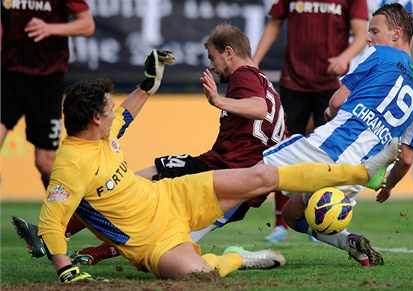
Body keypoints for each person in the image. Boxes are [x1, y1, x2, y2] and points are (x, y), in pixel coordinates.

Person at [11, 48, 398, 283]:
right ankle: (239, 258)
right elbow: (51, 219)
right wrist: (65, 269)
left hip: (173, 197)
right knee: (199, 275)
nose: (116, 112)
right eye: (108, 109)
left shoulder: (100, 134)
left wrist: (148, 84)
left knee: (263, 176)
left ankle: (366, 173)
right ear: (96, 119)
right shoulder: (71, 163)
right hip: (152, 243)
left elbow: (127, 114)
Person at [37, 23, 287, 265]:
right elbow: (275, 126)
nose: (211, 66)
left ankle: (236, 258)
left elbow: (259, 109)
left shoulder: (244, 75)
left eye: (213, 58)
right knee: (165, 229)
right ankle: (84, 247)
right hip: (237, 179)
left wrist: (218, 101)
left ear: (229, 52)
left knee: (147, 204)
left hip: (224, 172)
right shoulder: (264, 82)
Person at [262, 3, 413, 266]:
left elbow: (337, 102)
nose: (368, 38)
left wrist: (329, 112)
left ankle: (189, 235)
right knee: (294, 214)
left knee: (251, 172)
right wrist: (389, 185)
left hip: (329, 148)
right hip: (355, 175)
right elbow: (406, 158)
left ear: (396, 33)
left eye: (374, 31)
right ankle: (351, 242)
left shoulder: (379, 55)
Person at [253, 0, 369, 242]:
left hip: (331, 86)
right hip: (293, 82)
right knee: (283, 152)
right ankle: (280, 225)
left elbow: (360, 34)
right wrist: (254, 62)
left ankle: (317, 219)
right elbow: (274, 23)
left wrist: (344, 57)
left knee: (327, 158)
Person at [1, 0, 95, 189]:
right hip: (7, 76)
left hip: (46, 80)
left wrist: (50, 28)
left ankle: (74, 215)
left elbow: (87, 25)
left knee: (45, 162)